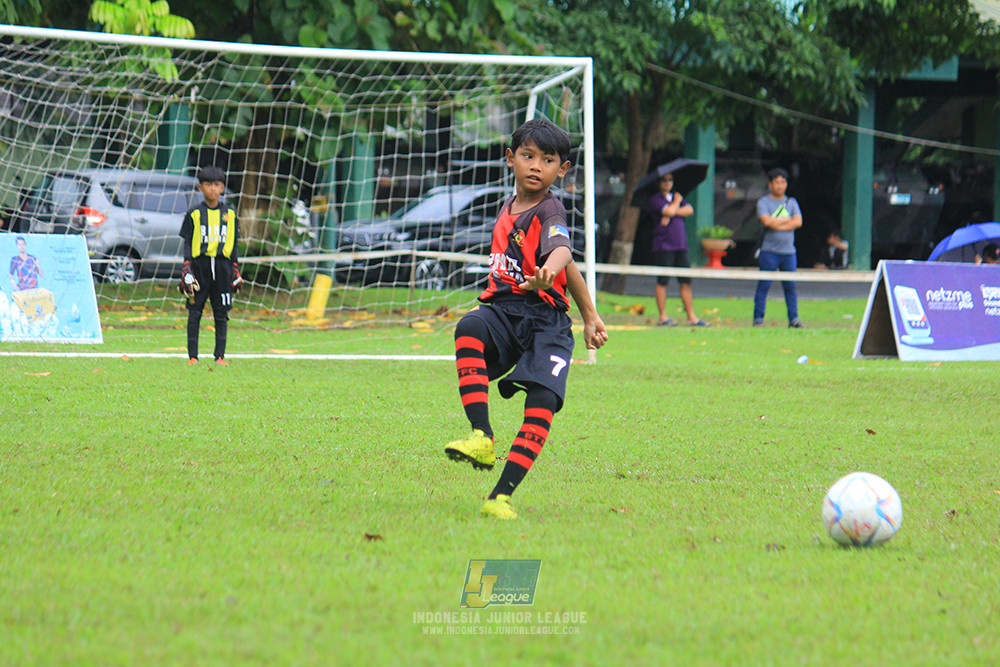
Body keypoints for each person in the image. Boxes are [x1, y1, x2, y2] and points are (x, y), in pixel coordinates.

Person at [443, 119, 609, 520]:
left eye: (547, 159)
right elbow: (569, 265)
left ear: (562, 169)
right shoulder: (509, 206)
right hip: (505, 311)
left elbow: (563, 251)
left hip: (545, 322)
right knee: (469, 327)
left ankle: (500, 497)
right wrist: (591, 314)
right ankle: (482, 436)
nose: (536, 166)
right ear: (510, 159)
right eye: (527, 156)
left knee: (543, 400)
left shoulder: (550, 207)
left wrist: (549, 272)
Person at [178, 166, 242, 366]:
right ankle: (193, 357)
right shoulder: (194, 213)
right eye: (208, 184)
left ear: (222, 187)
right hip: (199, 266)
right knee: (194, 311)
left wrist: (235, 269)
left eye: (216, 185)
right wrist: (186, 267)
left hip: (223, 267)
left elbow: (234, 244)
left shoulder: (230, 214)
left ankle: (220, 356)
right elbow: (188, 242)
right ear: (200, 187)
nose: (212, 189)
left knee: (221, 313)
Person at [647, 172, 708, 326]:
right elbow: (667, 211)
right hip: (664, 245)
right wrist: (676, 203)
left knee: (686, 281)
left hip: (680, 245)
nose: (667, 183)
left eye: (670, 180)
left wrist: (673, 211)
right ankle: (663, 317)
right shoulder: (656, 199)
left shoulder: (677, 197)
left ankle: (691, 317)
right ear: (658, 182)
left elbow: (689, 210)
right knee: (663, 281)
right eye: (664, 180)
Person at [753, 167, 804, 328]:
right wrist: (788, 222)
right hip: (769, 251)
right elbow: (766, 222)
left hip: (789, 252)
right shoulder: (764, 202)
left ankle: (794, 319)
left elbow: (798, 222)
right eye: (777, 182)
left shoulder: (792, 202)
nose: (780, 186)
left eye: (783, 182)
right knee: (764, 285)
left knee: (790, 287)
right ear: (770, 184)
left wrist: (778, 224)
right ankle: (758, 319)